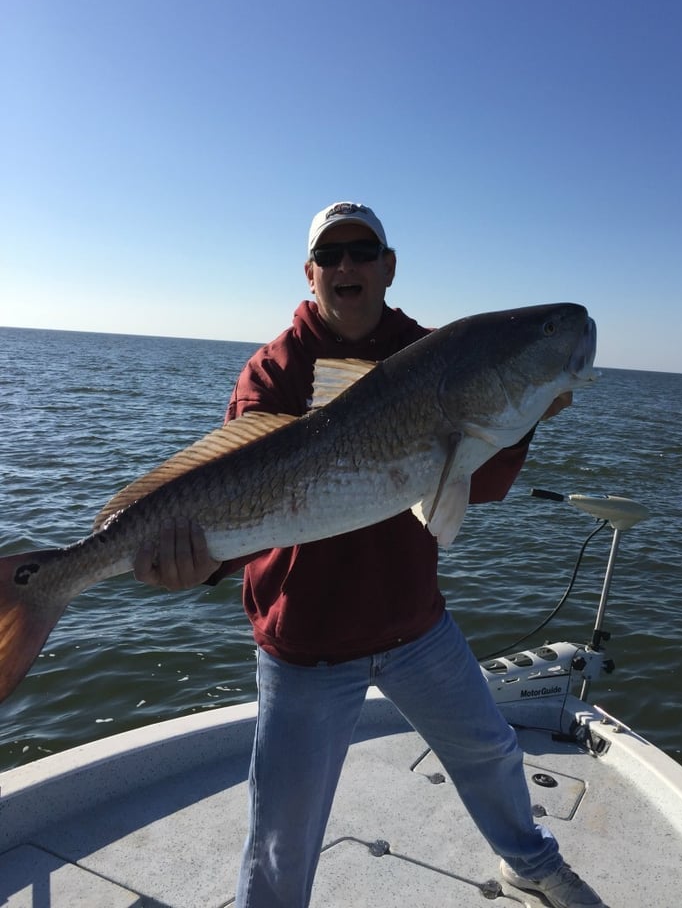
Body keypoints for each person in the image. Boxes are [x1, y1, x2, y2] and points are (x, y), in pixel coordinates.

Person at [134, 202, 607, 908]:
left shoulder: (437, 353)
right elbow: (235, 500)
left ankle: (528, 861)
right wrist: (197, 562)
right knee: (283, 834)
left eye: (363, 251)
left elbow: (475, 481)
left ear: (389, 266)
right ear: (311, 274)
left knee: (491, 751)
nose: (347, 266)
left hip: (413, 624)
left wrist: (515, 428)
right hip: (308, 640)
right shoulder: (274, 372)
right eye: (332, 255)